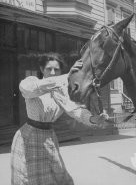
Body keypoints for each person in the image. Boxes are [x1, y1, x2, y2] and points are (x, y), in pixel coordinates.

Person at [11, 52, 109, 185]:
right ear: (41, 69)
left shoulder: (62, 92)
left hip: (49, 138)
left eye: (56, 69)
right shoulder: (32, 82)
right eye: (48, 69)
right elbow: (27, 89)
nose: (52, 72)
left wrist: (93, 119)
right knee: (30, 179)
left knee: (59, 177)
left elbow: (75, 110)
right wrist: (66, 76)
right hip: (28, 138)